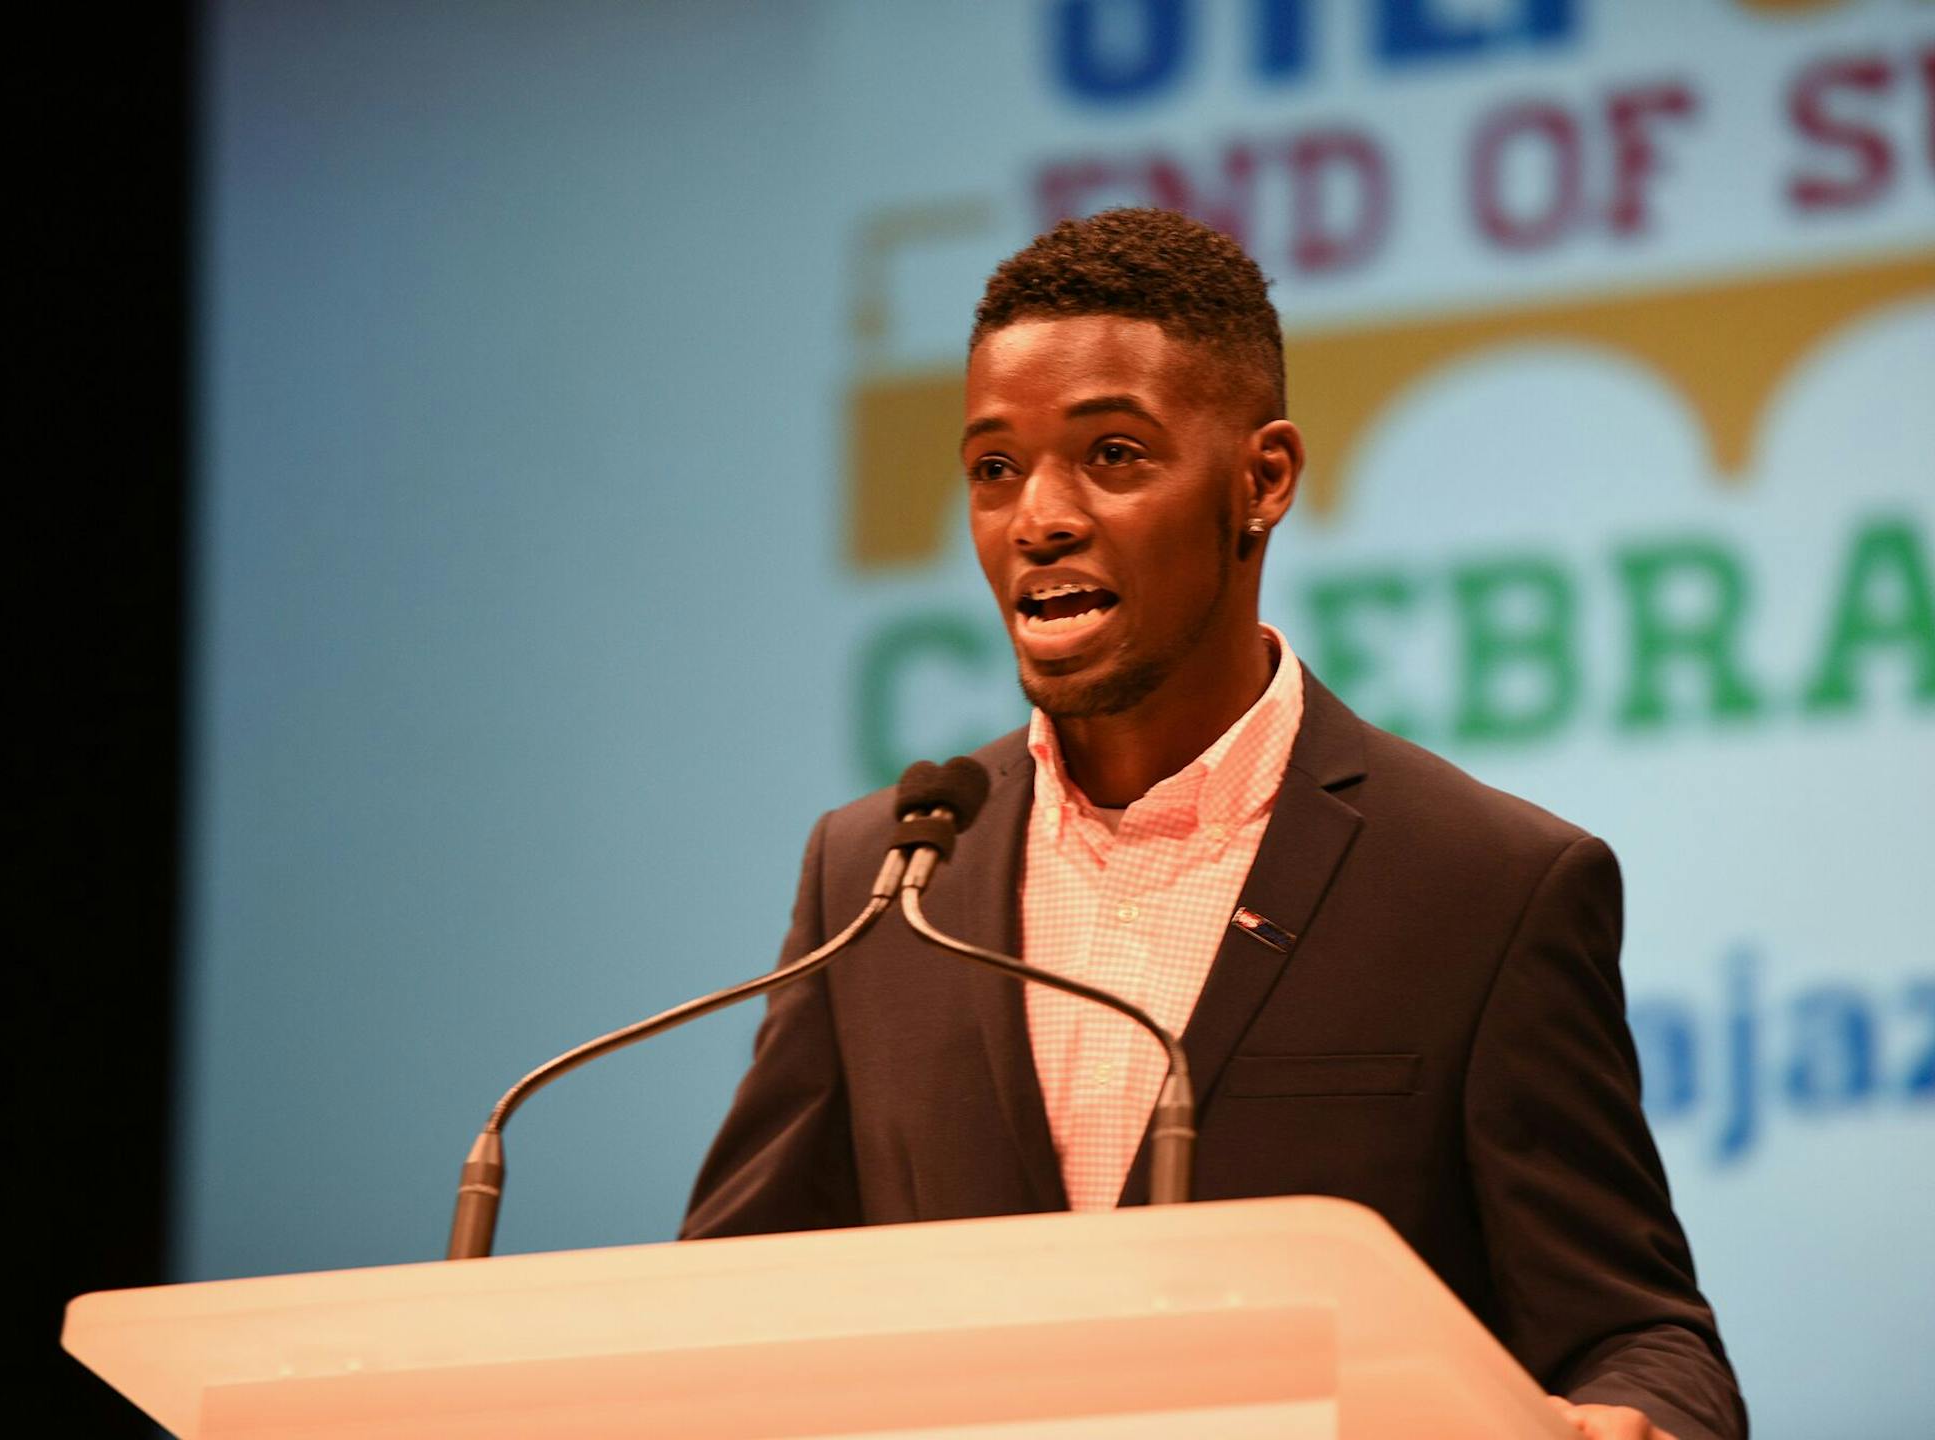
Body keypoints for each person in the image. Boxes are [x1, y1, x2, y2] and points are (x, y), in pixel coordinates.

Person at [683, 208, 1743, 1440]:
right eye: (994, 469)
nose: (1038, 518)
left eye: (1113, 455)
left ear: (1263, 479)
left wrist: (1634, 1418)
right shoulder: (885, 877)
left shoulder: (1486, 884)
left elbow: (1639, 1338)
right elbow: (725, 1313)